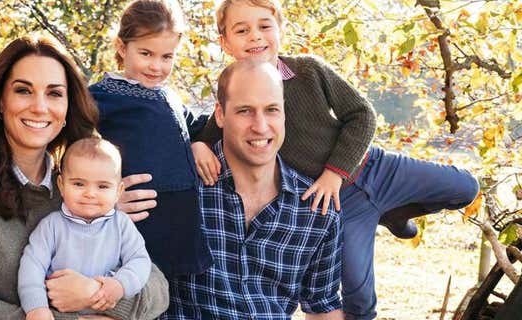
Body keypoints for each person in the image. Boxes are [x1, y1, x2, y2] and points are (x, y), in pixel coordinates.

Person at [190, 1, 480, 319]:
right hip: (339, 205)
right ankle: (377, 215)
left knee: (465, 188)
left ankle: (394, 212)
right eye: (242, 30)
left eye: (264, 26)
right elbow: (215, 130)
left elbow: (362, 114)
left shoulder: (308, 71)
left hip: (372, 168)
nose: (255, 37)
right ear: (225, 41)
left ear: (280, 29)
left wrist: (334, 171)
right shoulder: (235, 91)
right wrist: (199, 146)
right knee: (359, 300)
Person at [0, 35, 168, 320]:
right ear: (1, 101)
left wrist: (94, 292)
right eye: (24, 90)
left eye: (54, 93)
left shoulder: (81, 187)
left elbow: (158, 289)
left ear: (67, 108)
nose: (40, 107)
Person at [163, 60, 344, 319]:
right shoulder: (180, 190)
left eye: (271, 110)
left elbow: (322, 306)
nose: (260, 126)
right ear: (220, 115)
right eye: (245, 111)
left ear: (284, 113)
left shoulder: (316, 210)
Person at [88, 0, 212, 278]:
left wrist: (198, 143)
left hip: (181, 230)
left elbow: (196, 128)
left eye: (167, 57)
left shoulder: (170, 96)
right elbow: (72, 154)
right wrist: (102, 202)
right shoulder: (100, 97)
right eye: (146, 53)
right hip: (139, 227)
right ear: (122, 47)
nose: (157, 66)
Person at [18, 137, 152, 320]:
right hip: (59, 312)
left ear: (119, 191)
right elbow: (31, 267)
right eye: (79, 184)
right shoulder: (51, 226)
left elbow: (139, 260)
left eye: (102, 186)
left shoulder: (121, 225)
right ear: (61, 185)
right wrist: (36, 307)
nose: (90, 193)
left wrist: (120, 285)